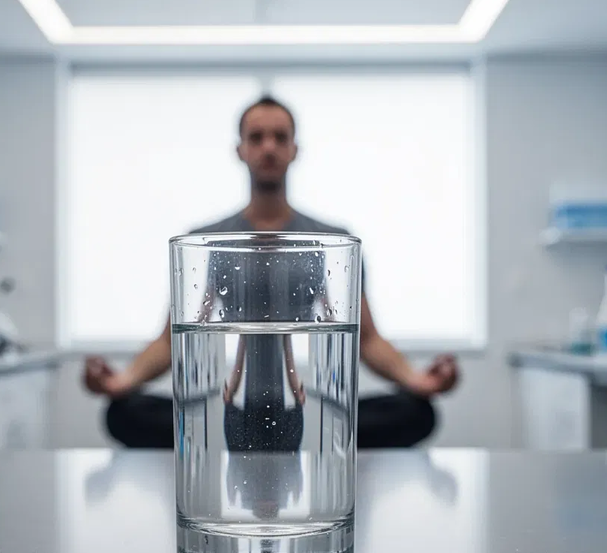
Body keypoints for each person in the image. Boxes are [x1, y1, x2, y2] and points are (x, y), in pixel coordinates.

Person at [84, 95, 460, 449]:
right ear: (240, 150)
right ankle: (235, 439)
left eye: (280, 137)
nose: (268, 147)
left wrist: (418, 380)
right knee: (123, 413)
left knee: (417, 412)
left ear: (294, 149)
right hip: (229, 409)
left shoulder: (331, 241)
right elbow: (171, 342)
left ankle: (309, 441)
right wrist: (121, 381)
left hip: (306, 408)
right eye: (257, 137)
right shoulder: (206, 241)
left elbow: (367, 340)